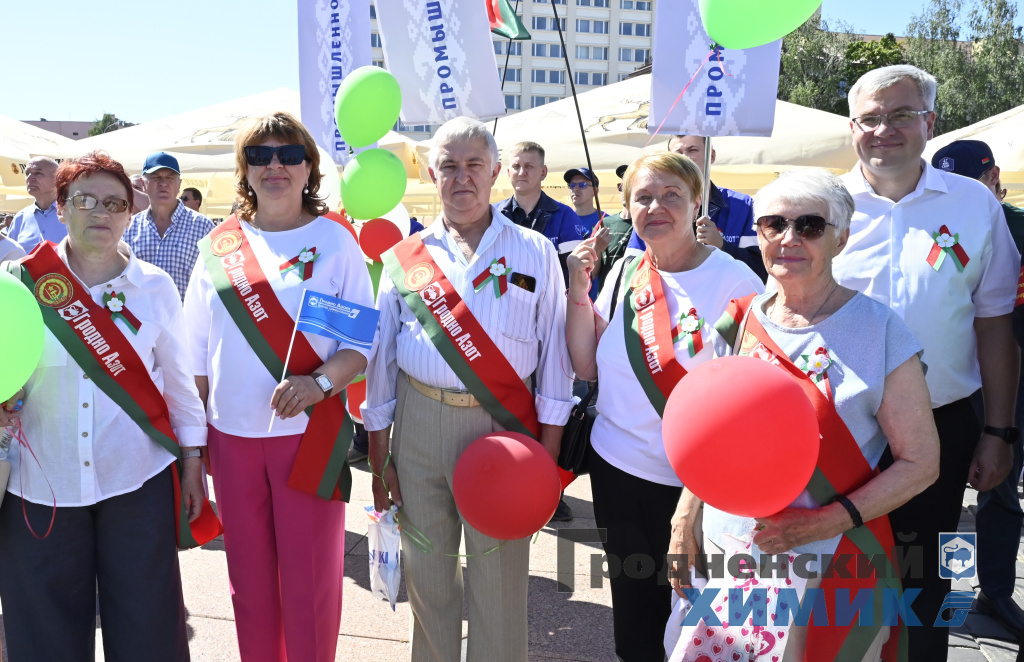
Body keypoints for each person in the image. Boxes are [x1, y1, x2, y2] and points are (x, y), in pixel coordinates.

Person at [365, 117, 573, 661]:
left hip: (504, 431)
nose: (462, 178)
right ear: (432, 175)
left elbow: (554, 358)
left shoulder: (535, 252)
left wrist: (548, 459)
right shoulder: (405, 257)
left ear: (497, 172)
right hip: (419, 424)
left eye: (474, 165)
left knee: (499, 583)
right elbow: (382, 356)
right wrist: (379, 449)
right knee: (428, 580)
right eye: (449, 167)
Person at [834, 65, 1021, 662]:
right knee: (837, 579)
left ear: (930, 123)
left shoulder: (973, 205)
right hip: (839, 430)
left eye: (901, 114)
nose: (883, 129)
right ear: (852, 127)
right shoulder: (822, 206)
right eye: (869, 117)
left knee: (928, 582)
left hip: (943, 424)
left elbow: (993, 324)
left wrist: (997, 431)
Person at [0, 151, 215, 662]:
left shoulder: (156, 288)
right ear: (62, 205)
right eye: (86, 200)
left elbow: (182, 391)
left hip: (134, 481)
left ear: (129, 212)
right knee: (42, 632)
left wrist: (193, 467)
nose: (101, 212)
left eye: (115, 203)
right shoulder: (18, 284)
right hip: (40, 483)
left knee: (147, 628)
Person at [183, 112, 374, 662]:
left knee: (311, 582)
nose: (275, 166)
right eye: (261, 155)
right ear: (244, 169)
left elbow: (361, 342)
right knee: (250, 583)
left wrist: (319, 384)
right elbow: (195, 356)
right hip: (231, 437)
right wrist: (196, 448)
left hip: (311, 435)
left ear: (309, 167)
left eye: (289, 155)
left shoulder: (336, 241)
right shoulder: (217, 246)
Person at [566, 151, 763, 661]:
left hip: (694, 486)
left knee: (693, 624)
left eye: (671, 195)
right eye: (643, 197)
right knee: (633, 617)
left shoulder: (736, 283)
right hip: (616, 471)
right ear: (627, 208)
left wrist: (695, 502)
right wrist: (576, 292)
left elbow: (748, 402)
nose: (656, 206)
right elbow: (588, 366)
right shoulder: (627, 271)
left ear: (697, 202)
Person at [931, 139, 1024, 636]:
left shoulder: (1017, 225)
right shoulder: (937, 221)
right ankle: (949, 592)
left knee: (999, 493)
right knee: (950, 505)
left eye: (975, 181)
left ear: (994, 177)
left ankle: (994, 590)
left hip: (1008, 380)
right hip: (953, 386)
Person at [627, 135, 767, 282]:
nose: (685, 158)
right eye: (678, 153)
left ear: (711, 155)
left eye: (692, 150)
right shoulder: (654, 212)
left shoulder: (743, 205)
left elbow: (761, 269)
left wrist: (722, 245)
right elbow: (631, 271)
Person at [123, 152, 214, 301]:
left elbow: (214, 282)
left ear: (179, 185)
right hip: (139, 321)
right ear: (143, 183)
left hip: (185, 322)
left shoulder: (203, 227)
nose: (163, 183)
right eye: (156, 177)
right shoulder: (129, 227)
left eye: (170, 178)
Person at [496, 141, 587, 285]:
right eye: (516, 166)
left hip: (551, 306)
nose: (521, 172)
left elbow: (573, 274)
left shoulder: (565, 215)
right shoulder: (493, 215)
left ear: (543, 172)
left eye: (529, 166)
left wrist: (519, 283)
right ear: (508, 172)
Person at [7, 156, 66, 252]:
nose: (30, 178)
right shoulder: (20, 218)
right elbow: (10, 255)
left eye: (38, 173)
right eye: (27, 173)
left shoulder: (73, 213)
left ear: (57, 178)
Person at [594, 164, 634, 294]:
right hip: (607, 301)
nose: (625, 191)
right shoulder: (604, 223)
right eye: (622, 187)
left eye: (631, 186)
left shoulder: (649, 223)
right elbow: (592, 274)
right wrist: (597, 249)